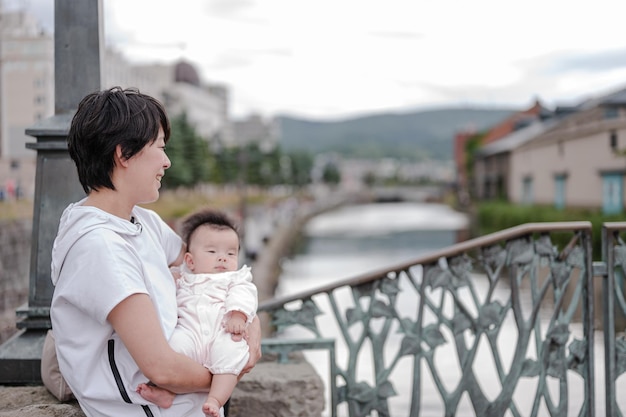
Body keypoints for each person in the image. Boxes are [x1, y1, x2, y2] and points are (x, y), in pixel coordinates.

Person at [49, 86, 262, 417]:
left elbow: (210, 274)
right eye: (160, 148)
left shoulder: (141, 222)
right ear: (124, 154)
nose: (167, 161)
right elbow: (162, 369)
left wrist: (250, 323)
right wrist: (226, 373)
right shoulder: (100, 248)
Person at [136, 209, 258, 417]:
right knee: (174, 348)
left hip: (222, 331)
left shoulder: (236, 279)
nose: (222, 259)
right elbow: (162, 284)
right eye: (212, 252)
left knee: (231, 355)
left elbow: (245, 295)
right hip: (190, 332)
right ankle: (167, 393)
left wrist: (238, 314)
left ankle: (216, 399)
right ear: (190, 261)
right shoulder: (184, 277)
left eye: (230, 253)